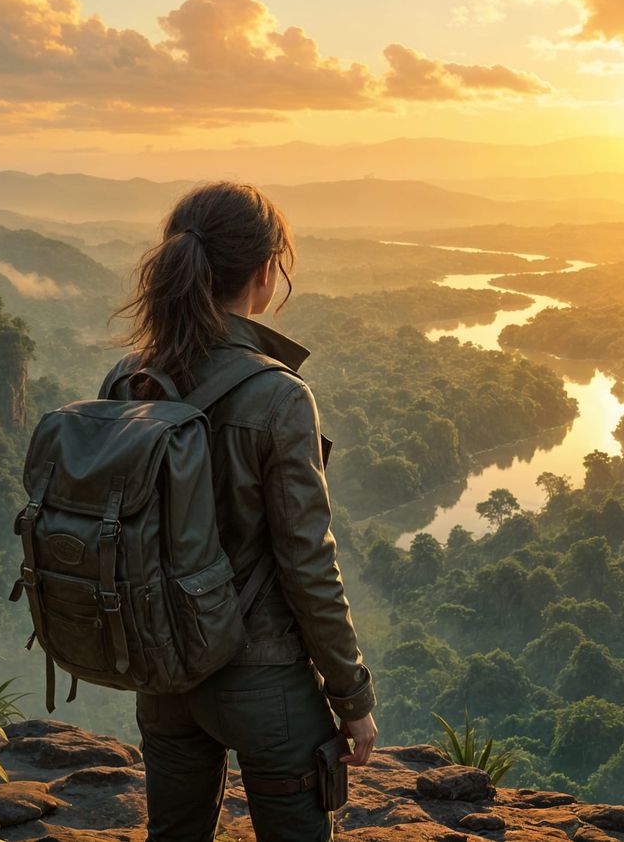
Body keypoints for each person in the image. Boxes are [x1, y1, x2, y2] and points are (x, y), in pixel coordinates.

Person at [113, 182, 376, 841]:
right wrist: (352, 696)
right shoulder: (277, 395)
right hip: (265, 682)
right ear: (264, 270)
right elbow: (307, 563)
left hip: (164, 674)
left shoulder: (130, 380)